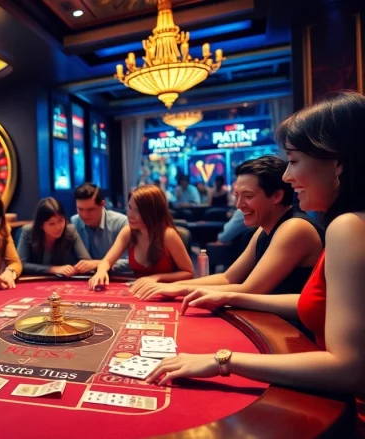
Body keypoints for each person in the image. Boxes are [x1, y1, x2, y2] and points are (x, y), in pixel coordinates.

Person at [147, 91, 365, 436]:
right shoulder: (347, 223)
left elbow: (351, 369)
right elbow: (322, 305)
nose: (288, 177)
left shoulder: (346, 227)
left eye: (294, 161)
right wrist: (198, 291)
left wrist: (223, 361)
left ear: (337, 162)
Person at [132, 156, 323, 300]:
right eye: (237, 195)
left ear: (276, 196)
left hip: (300, 334)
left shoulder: (295, 228)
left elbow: (250, 289)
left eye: (248, 196)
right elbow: (228, 278)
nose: (239, 205)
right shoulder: (264, 229)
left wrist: (179, 289)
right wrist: (167, 283)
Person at [88, 185, 194, 290]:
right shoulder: (128, 231)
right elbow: (106, 261)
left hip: (166, 292)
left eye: (138, 210)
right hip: (139, 290)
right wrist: (101, 271)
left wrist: (156, 278)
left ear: (153, 212)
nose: (130, 215)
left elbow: (189, 272)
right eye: (129, 207)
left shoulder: (168, 235)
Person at [17, 197, 90, 276]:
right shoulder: (28, 231)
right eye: (52, 223)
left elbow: (87, 262)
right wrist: (52, 269)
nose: (58, 227)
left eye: (61, 220)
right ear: (41, 224)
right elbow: (21, 265)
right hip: (34, 280)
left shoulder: (70, 231)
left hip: (60, 282)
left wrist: (75, 268)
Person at [70, 183, 130, 274]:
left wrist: (100, 264)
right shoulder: (74, 222)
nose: (84, 215)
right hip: (85, 279)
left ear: (102, 204)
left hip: (116, 278)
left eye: (90, 210)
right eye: (80, 209)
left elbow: (131, 262)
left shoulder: (121, 223)